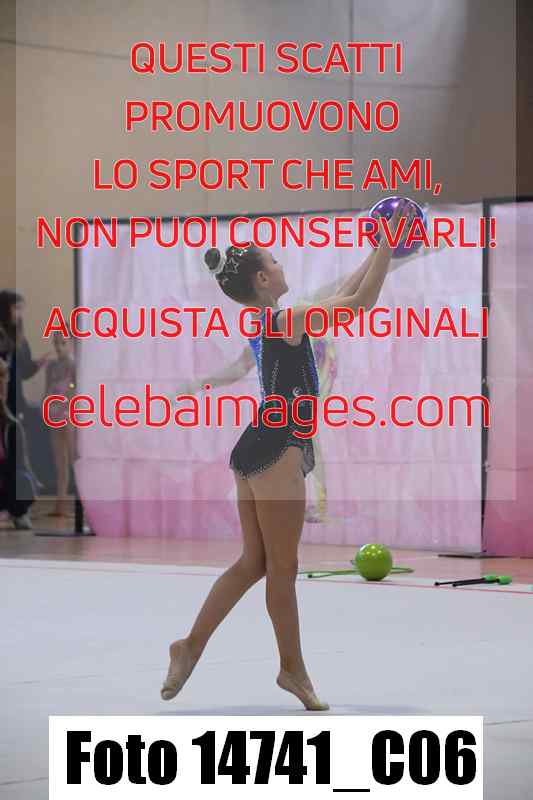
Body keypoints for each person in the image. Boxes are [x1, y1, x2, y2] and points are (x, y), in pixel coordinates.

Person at [160, 200, 411, 711]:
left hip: (257, 444)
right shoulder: (286, 319)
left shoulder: (271, 319)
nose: (281, 265)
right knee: (282, 567)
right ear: (261, 279)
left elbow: (344, 294)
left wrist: (377, 248)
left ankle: (189, 646)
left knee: (254, 561)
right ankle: (291, 668)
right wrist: (389, 242)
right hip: (277, 448)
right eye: (274, 261)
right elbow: (361, 303)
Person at [0, 289, 51, 420]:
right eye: (16, 308)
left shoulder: (21, 341)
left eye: (21, 309)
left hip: (16, 401)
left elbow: (23, 373)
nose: (19, 314)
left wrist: (37, 364)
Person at [0, 357, 37, 530]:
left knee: (21, 480)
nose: (1, 384)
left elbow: (18, 465)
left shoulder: (13, 426)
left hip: (5, 484)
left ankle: (17, 512)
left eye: (3, 378)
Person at [44, 331, 76, 516]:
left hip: (70, 416)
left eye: (63, 343)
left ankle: (82, 506)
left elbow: (77, 390)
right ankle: (60, 505)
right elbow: (47, 390)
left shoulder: (74, 365)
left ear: (70, 343)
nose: (58, 347)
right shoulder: (52, 366)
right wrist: (46, 407)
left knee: (73, 460)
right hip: (54, 414)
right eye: (56, 343)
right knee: (60, 462)